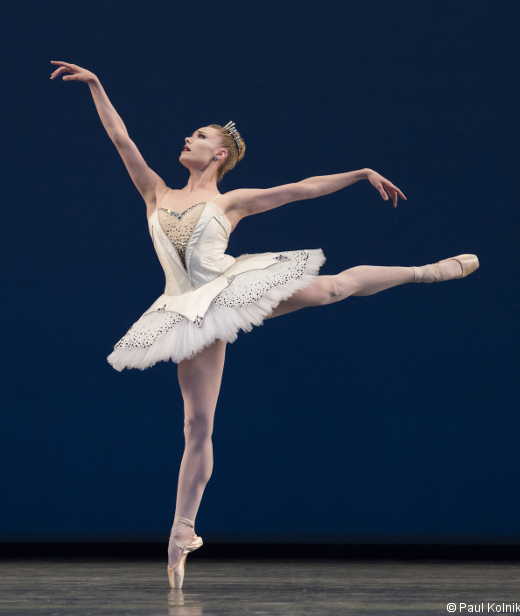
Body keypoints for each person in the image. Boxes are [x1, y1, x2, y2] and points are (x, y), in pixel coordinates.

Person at [50, 60, 479, 588]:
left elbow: (303, 188)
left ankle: (427, 271)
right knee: (197, 426)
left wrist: (361, 173)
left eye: (199, 135)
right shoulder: (156, 193)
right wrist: (96, 85)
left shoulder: (230, 202)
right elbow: (121, 139)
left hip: (234, 286)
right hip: (188, 310)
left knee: (335, 287)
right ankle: (182, 530)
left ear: (219, 154)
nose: (188, 138)